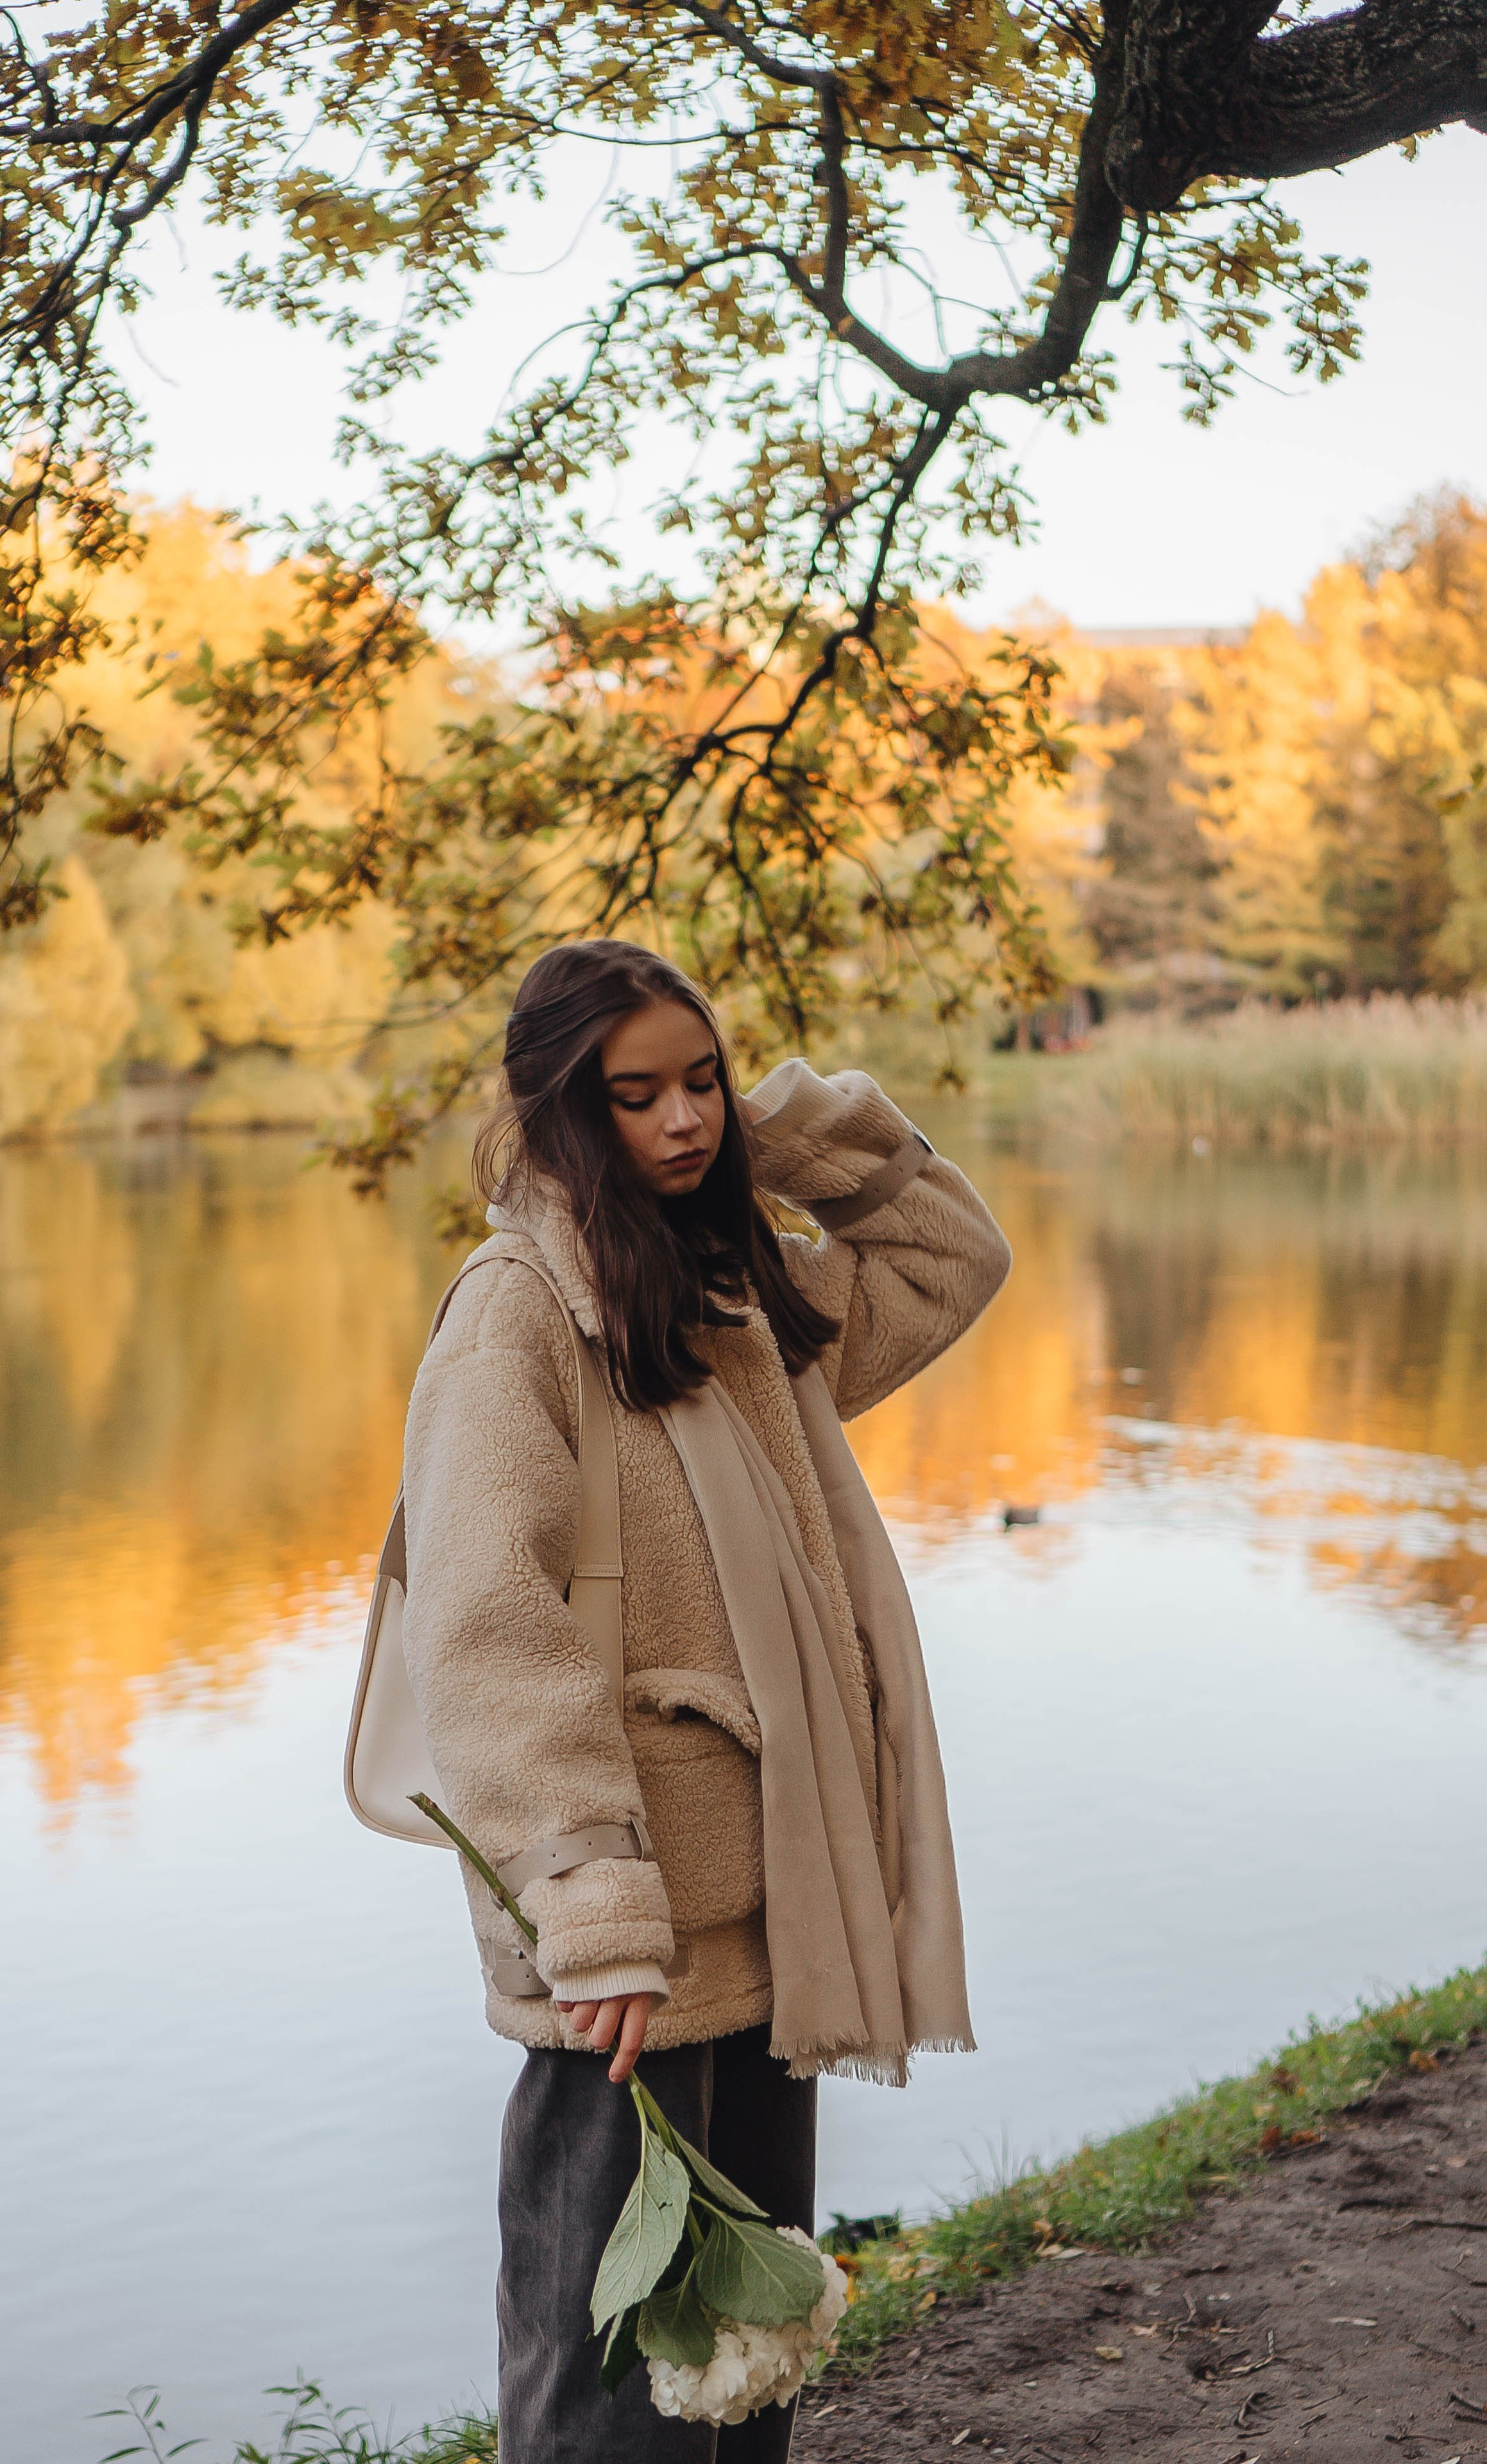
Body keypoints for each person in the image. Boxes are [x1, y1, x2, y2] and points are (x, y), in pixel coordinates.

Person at [400, 939, 1011, 2462]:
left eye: (702, 1083)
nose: (680, 1121)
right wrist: (585, 1897)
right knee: (606, 2385)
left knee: (747, 2356)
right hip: (620, 1931)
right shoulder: (517, 1315)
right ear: (558, 1113)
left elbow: (950, 1259)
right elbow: (485, 1625)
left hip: (759, 1906)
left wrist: (789, 1127)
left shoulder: (737, 1297)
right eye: (634, 1096)